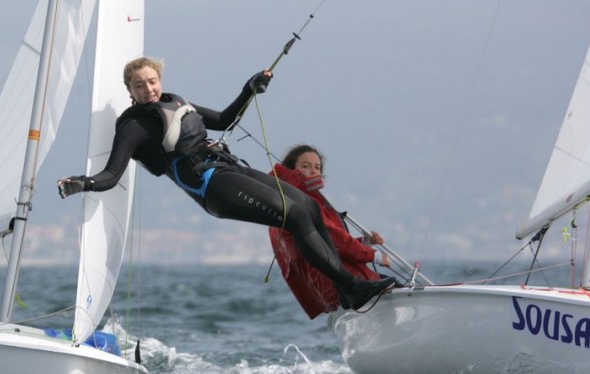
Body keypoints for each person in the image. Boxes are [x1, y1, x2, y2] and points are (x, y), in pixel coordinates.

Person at [56, 57, 396, 310]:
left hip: (226, 167)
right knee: (293, 216)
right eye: (139, 85)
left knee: (307, 206)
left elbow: (223, 120)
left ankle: (349, 289)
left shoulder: (176, 101)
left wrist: (249, 90)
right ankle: (350, 285)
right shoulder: (133, 126)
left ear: (160, 79)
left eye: (152, 81)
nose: (148, 89)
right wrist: (82, 183)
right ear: (129, 90)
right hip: (212, 188)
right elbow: (111, 175)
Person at [269, 144, 390, 318]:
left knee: (393, 285)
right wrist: (374, 256)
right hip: (340, 285)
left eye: (317, 167)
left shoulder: (284, 201)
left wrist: (364, 242)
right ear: (291, 169)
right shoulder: (301, 202)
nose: (312, 171)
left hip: (331, 289)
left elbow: (325, 243)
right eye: (305, 166)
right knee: (396, 286)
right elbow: (334, 239)